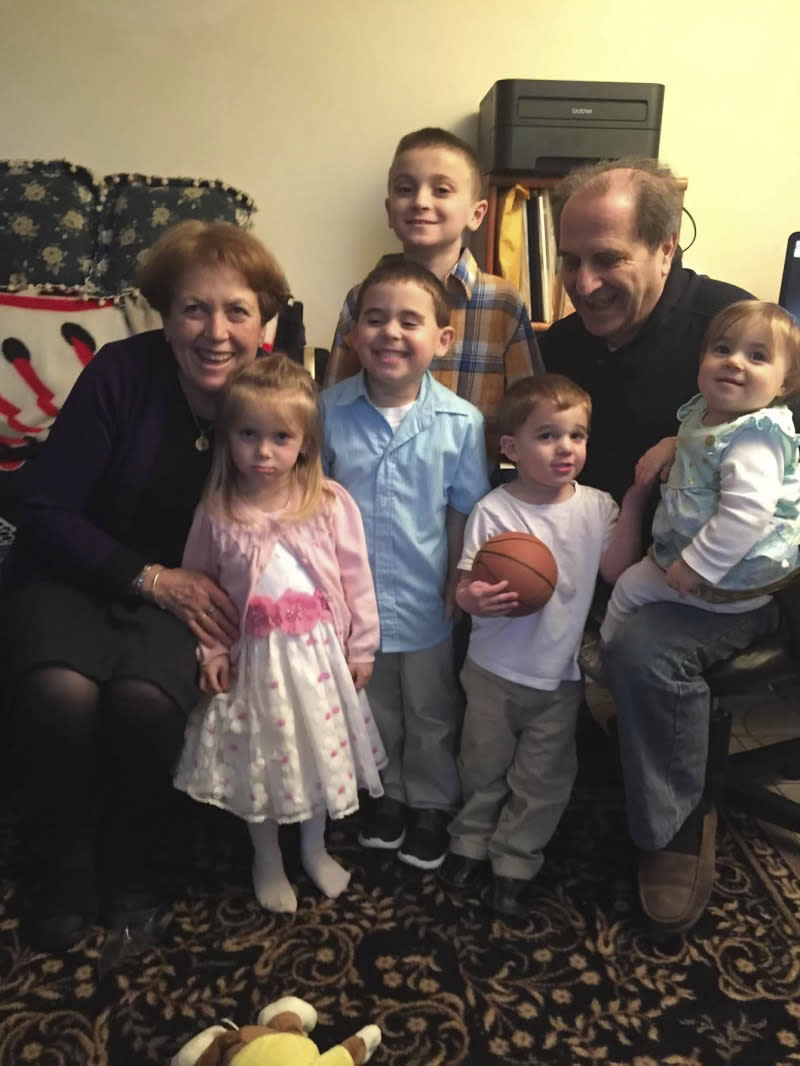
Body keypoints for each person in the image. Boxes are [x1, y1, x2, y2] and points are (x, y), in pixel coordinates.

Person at [0, 219, 292, 950]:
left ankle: (131, 861)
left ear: (267, 322)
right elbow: (42, 507)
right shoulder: (119, 373)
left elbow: (301, 510)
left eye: (238, 311)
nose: (215, 331)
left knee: (142, 699)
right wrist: (148, 578)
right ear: (166, 316)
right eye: (195, 308)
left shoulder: (274, 400)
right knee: (58, 690)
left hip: (189, 591)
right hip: (76, 569)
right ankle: (59, 865)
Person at [540, 157, 780, 939]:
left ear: (666, 246)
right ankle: (580, 763)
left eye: (607, 258)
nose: (582, 281)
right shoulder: (566, 343)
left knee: (641, 647)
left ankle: (673, 828)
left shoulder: (735, 331)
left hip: (720, 576)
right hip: (625, 545)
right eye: (570, 260)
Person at [174, 355, 385, 914]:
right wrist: (213, 649)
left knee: (315, 758)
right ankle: (266, 858)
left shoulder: (330, 503)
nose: (263, 452)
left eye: (279, 437)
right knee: (265, 765)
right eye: (248, 435)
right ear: (228, 438)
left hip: (317, 666)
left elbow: (358, 581)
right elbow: (200, 589)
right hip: (256, 670)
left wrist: (362, 646)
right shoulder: (217, 510)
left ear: (305, 443)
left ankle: (314, 850)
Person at [438, 374, 653, 915]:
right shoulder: (494, 510)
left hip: (558, 677)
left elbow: (615, 567)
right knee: (481, 764)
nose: (566, 448)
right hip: (490, 669)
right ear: (510, 447)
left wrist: (634, 499)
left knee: (544, 778)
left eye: (577, 436)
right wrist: (473, 599)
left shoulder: (597, 507)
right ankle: (469, 841)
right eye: (548, 435)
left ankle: (515, 859)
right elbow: (465, 584)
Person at [319, 259, 490, 870]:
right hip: (351, 606)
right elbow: (314, 510)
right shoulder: (328, 413)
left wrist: (457, 579)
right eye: (375, 318)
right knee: (372, 709)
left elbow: (464, 512)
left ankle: (431, 804)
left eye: (409, 321)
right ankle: (386, 798)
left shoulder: (462, 423)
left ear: (442, 340)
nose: (390, 331)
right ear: (352, 333)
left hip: (425, 603)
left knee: (431, 710)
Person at [323, 126, 544, 460]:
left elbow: (532, 413)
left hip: (472, 494)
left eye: (441, 190)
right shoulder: (361, 300)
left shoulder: (503, 304)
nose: (420, 202)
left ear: (477, 213)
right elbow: (333, 405)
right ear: (389, 210)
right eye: (405, 189)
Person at [596, 301, 800, 646]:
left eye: (757, 357)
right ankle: (611, 650)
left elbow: (747, 515)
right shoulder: (708, 413)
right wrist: (671, 444)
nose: (734, 361)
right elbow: (703, 448)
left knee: (629, 590)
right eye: (722, 349)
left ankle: (604, 655)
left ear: (784, 384)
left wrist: (697, 566)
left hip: (729, 572)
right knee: (630, 588)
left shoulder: (756, 439)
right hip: (698, 555)